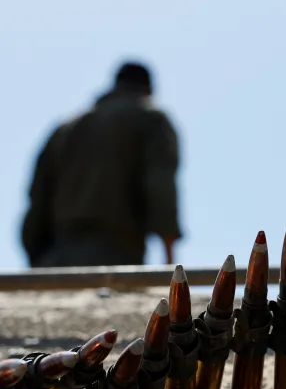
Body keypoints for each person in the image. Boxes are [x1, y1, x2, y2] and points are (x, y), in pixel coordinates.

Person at [21, 61, 182, 267]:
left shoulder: (65, 129)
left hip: (56, 259)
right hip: (115, 257)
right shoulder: (150, 119)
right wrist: (169, 263)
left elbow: (36, 207)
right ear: (148, 90)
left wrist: (40, 267)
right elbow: (161, 188)